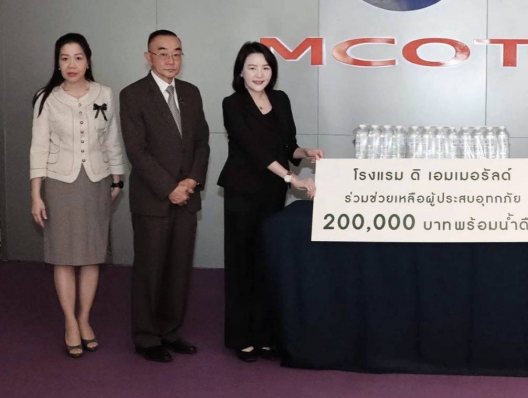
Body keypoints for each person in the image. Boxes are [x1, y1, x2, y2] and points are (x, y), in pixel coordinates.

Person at [217, 42, 323, 362]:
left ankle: (264, 335)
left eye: (265, 67)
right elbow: (255, 151)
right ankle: (241, 337)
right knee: (242, 264)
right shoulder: (233, 104)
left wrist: (306, 153)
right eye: (252, 68)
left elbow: (288, 146)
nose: (259, 74)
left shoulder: (281, 99)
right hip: (243, 193)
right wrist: (292, 179)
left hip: (272, 194)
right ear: (240, 72)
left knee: (267, 262)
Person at [29, 33, 125, 358]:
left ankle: (84, 319)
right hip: (59, 184)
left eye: (78, 57)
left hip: (96, 182)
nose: (72, 64)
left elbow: (112, 139)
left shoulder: (105, 94)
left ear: (88, 60)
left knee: (91, 255)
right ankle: (70, 322)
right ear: (57, 63)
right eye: (65, 58)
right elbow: (38, 148)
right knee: (64, 256)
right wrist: (36, 194)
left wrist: (117, 180)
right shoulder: (46, 98)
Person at [119, 30, 210, 363]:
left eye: (177, 53)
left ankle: (170, 331)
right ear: (148, 57)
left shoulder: (191, 93)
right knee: (150, 269)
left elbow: (202, 142)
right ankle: (146, 337)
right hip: (153, 199)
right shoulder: (133, 95)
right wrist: (169, 187)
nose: (171, 60)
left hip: (188, 196)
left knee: (179, 268)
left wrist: (192, 181)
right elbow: (137, 151)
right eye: (162, 53)